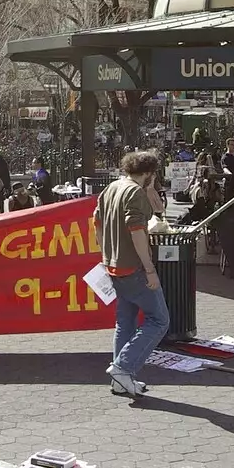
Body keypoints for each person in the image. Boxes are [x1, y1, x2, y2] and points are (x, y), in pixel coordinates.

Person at [94, 151, 168, 399]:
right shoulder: (134, 193)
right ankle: (123, 368)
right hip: (133, 267)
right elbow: (137, 230)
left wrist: (106, 254)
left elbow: (96, 222)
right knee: (159, 320)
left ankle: (120, 379)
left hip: (113, 265)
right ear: (148, 173)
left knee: (124, 321)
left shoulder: (112, 188)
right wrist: (149, 269)